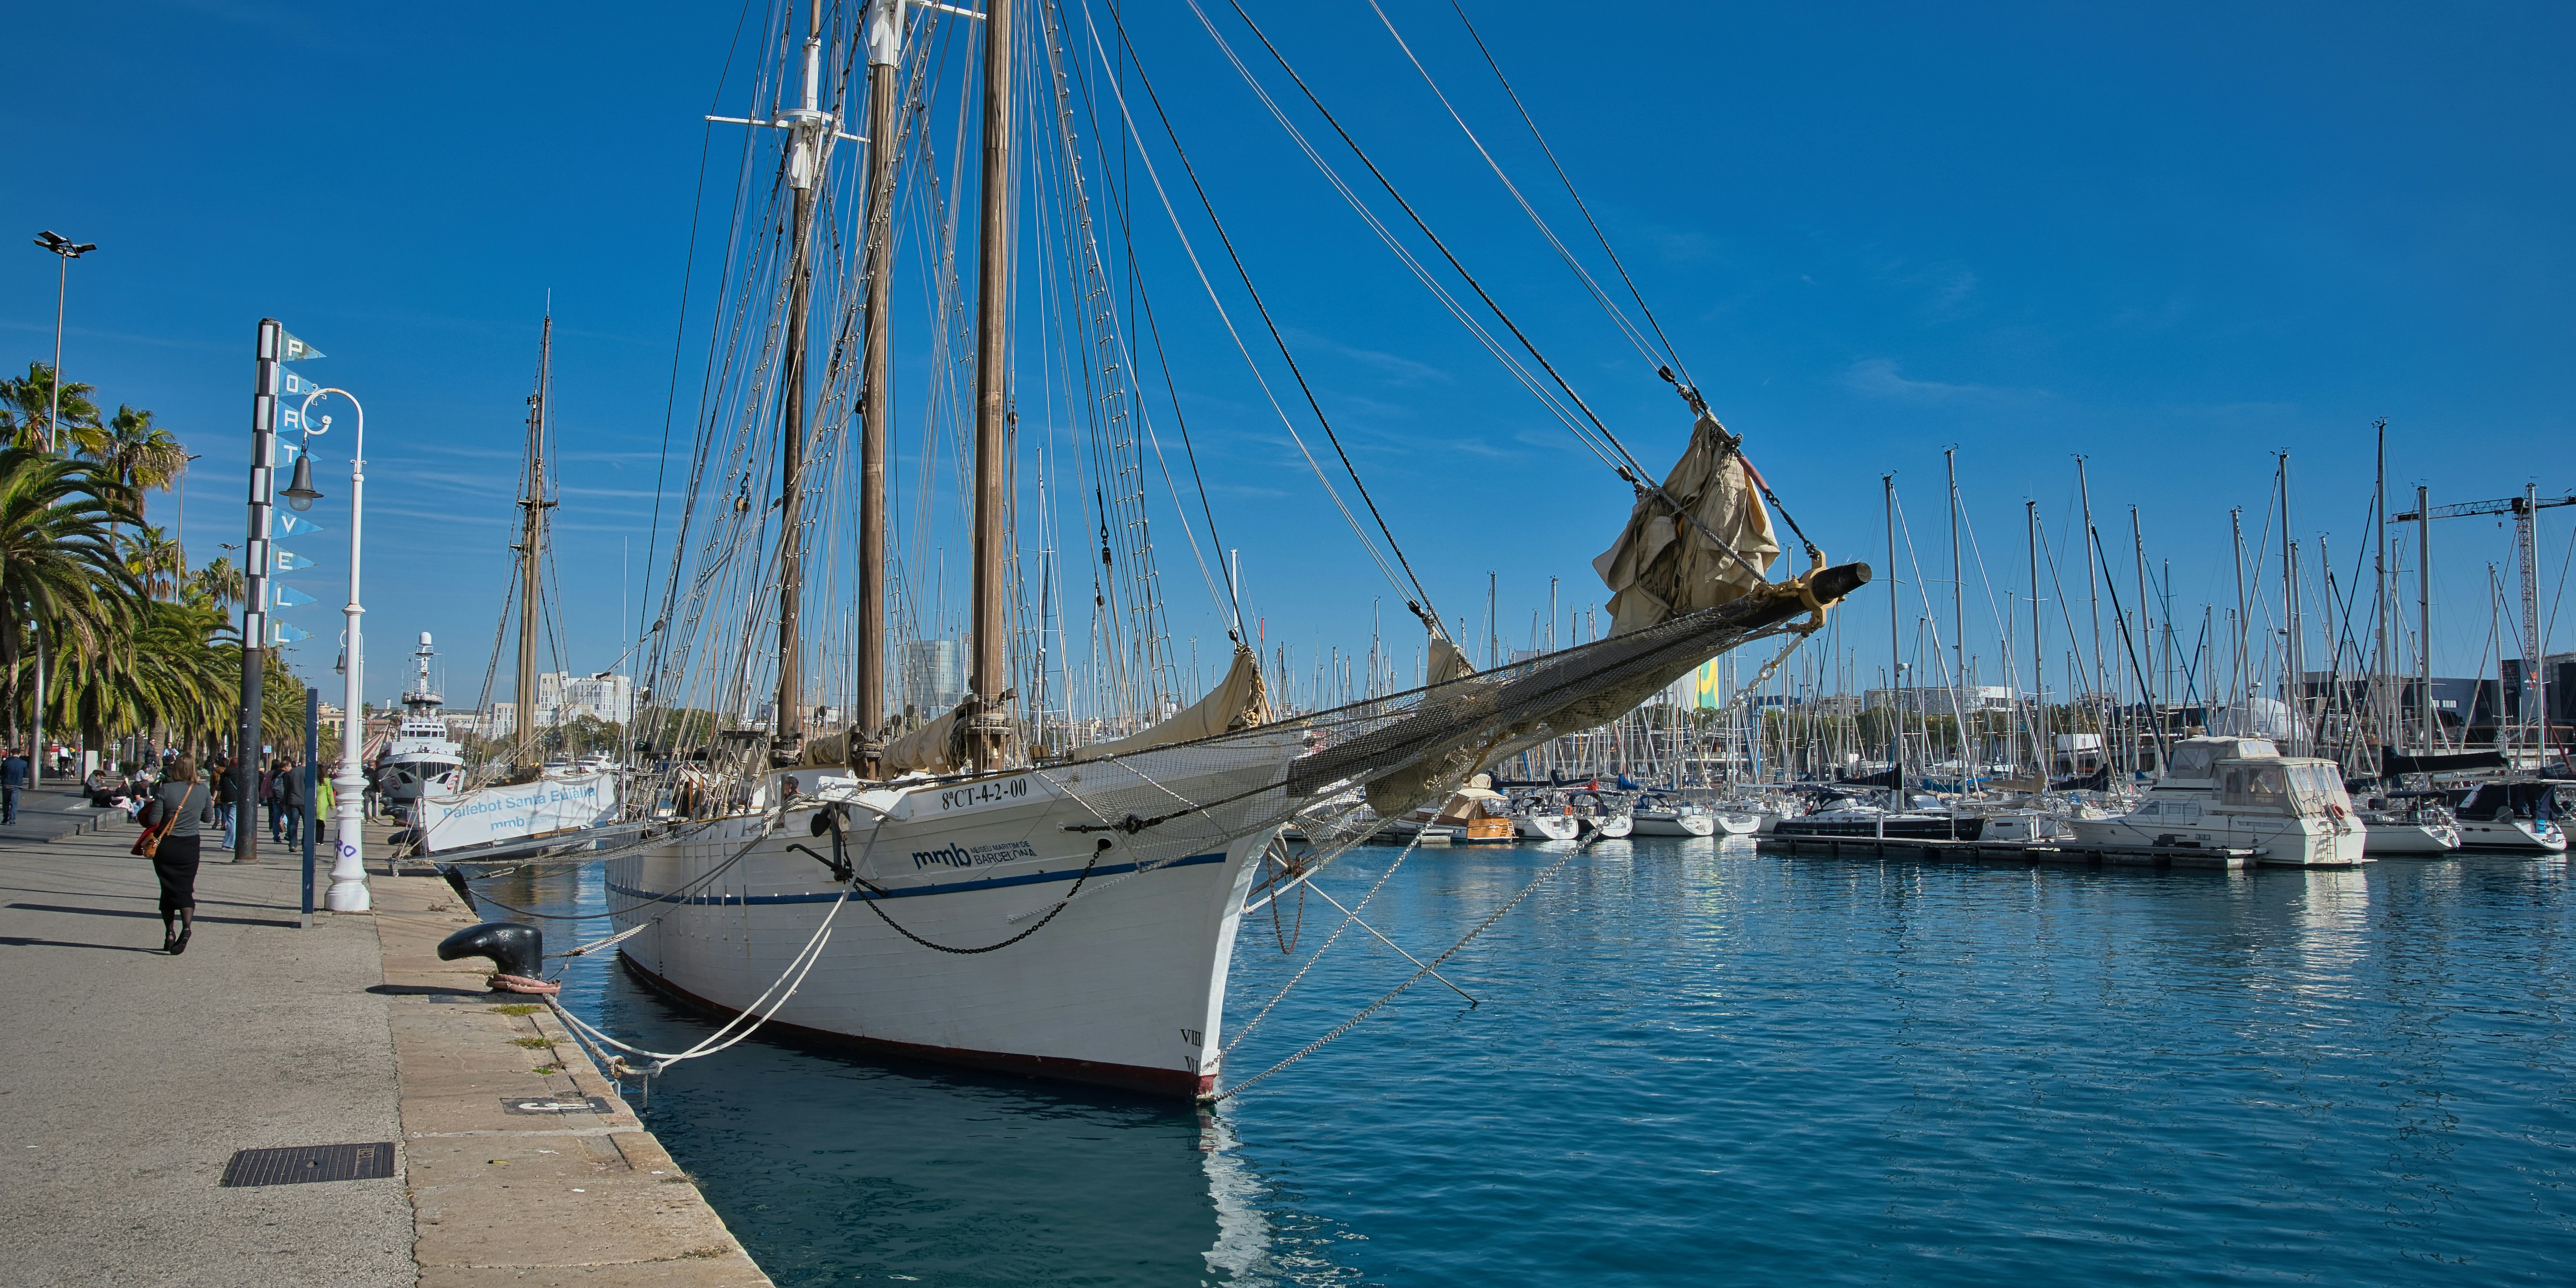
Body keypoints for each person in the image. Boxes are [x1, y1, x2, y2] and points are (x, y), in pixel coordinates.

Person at [139, 756, 214, 954]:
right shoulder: (202, 790)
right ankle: (187, 928)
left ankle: (170, 933)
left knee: (167, 888)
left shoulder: (165, 790)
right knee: (185, 888)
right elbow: (208, 819)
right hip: (190, 845)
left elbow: (154, 819)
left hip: (167, 846)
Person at [275, 757, 307, 848]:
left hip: (294, 801)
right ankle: (305, 844)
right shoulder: (309, 772)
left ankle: (293, 844)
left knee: (293, 823)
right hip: (306, 802)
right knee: (307, 824)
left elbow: (287, 789)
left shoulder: (292, 772)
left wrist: (286, 803)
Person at [209, 756, 237, 850]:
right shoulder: (238, 774)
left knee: (231, 820)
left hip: (224, 799)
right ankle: (229, 844)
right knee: (233, 821)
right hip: (235, 800)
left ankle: (229, 842)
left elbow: (218, 787)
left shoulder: (224, 773)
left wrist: (213, 799)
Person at [1, 746, 27, 825]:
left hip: (6, 784)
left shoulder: (6, 762)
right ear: (19, 754)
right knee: (14, 803)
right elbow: (25, 774)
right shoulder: (24, 763)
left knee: (6, 802)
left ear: (11, 754)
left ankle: (5, 818)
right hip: (17, 784)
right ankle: (12, 820)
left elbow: (2, 773)